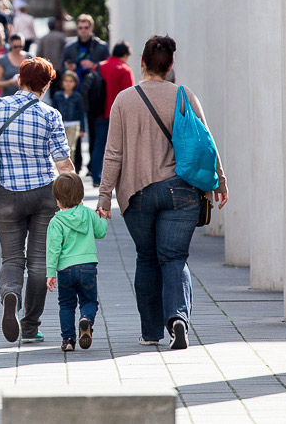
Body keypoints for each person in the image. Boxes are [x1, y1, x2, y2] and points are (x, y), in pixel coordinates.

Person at [97, 35, 228, 349]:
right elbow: (206, 143)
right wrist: (220, 181)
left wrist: (103, 197)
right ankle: (178, 317)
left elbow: (113, 153)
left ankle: (151, 331)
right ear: (170, 66)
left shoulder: (124, 101)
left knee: (147, 259)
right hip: (182, 192)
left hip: (137, 194)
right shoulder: (185, 96)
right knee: (174, 258)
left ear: (141, 63)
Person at [0, 57, 73, 343]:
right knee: (40, 263)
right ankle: (30, 327)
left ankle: (11, 295)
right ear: (47, 84)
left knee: (12, 258)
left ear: (19, 79)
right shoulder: (50, 115)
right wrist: (74, 197)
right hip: (43, 193)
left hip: (6, 193)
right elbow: (63, 163)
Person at [46, 172, 107, 352]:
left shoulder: (56, 222)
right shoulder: (88, 214)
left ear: (57, 198)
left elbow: (53, 250)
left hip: (65, 269)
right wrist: (101, 217)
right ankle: (86, 319)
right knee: (89, 301)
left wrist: (50, 273)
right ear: (81, 195)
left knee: (66, 305)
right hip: (88, 266)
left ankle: (68, 340)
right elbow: (100, 233)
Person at [62, 14, 109, 175]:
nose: (83, 30)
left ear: (92, 28)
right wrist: (69, 68)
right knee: (75, 131)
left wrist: (94, 65)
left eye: (86, 27)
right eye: (80, 27)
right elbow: (62, 71)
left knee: (95, 131)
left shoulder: (101, 47)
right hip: (75, 95)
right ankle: (78, 165)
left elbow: (107, 69)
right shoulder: (70, 48)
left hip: (95, 95)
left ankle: (93, 166)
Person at [91, 41, 135, 186]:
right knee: (120, 148)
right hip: (118, 115)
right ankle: (120, 178)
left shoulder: (98, 66)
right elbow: (129, 96)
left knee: (99, 145)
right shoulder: (124, 69)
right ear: (124, 55)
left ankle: (96, 177)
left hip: (99, 111)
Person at [53, 71, 86, 175]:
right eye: (66, 81)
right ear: (62, 82)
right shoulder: (57, 96)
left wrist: (82, 129)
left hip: (73, 124)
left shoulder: (77, 96)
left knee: (71, 148)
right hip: (61, 125)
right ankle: (62, 170)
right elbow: (54, 111)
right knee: (61, 148)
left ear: (75, 83)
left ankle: (69, 172)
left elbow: (81, 113)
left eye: (71, 81)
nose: (68, 83)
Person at [37, 18, 68, 98]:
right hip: (59, 66)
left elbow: (39, 53)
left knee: (51, 87)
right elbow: (66, 50)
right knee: (60, 86)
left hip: (48, 67)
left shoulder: (44, 38)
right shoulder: (61, 36)